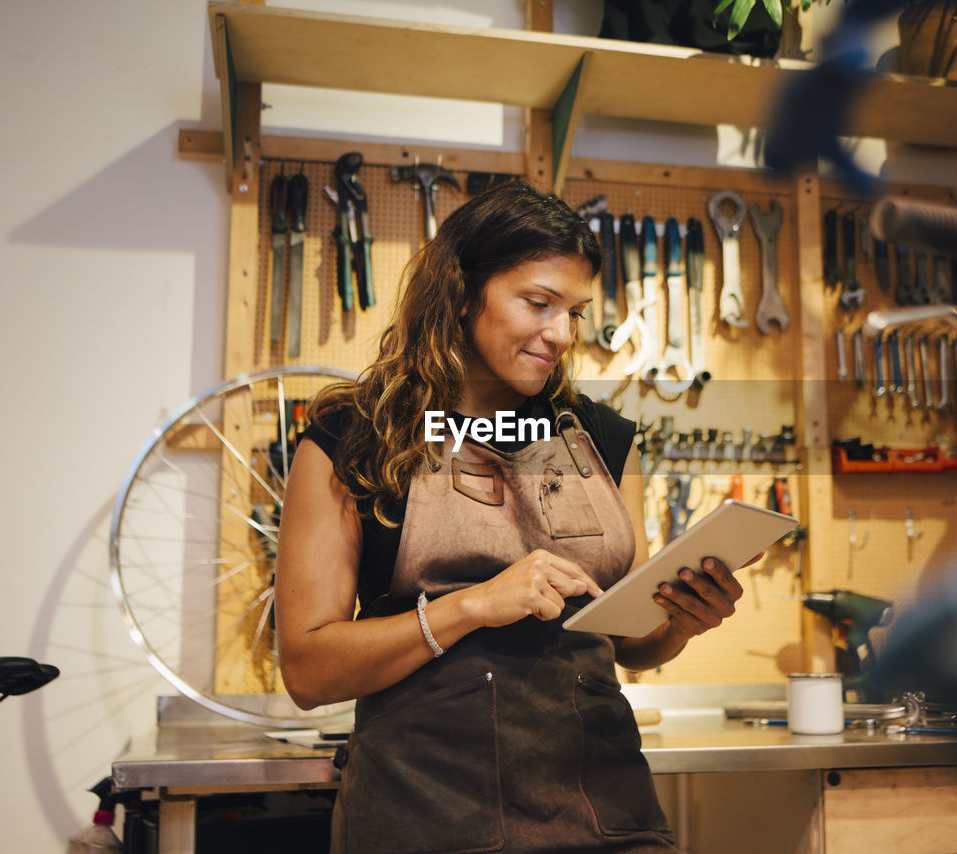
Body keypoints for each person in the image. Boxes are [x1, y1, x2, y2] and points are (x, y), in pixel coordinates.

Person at [275, 181, 750, 853]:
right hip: (424, 817)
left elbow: (630, 644)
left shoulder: (604, 440)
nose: (561, 333)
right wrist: (472, 605)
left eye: (575, 311)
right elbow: (307, 670)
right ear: (463, 293)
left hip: (604, 816)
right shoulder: (354, 435)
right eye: (538, 303)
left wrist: (679, 621)